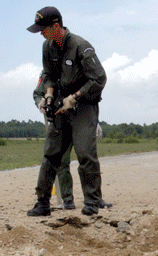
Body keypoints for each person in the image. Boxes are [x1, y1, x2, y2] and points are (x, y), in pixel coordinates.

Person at [26, 6, 106, 217]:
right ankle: (42, 202)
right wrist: (50, 96)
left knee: (85, 153)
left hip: (83, 105)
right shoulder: (47, 47)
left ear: (56, 26)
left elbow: (99, 79)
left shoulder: (80, 45)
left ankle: (91, 202)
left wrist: (75, 97)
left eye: (43, 29)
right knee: (51, 154)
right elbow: (49, 74)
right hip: (60, 103)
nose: (41, 33)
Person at [33, 75, 112, 210]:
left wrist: (95, 121)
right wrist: (42, 103)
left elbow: (90, 94)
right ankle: (67, 199)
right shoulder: (50, 71)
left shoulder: (80, 66)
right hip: (60, 121)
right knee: (61, 161)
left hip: (81, 119)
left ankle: (95, 199)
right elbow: (38, 93)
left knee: (88, 158)